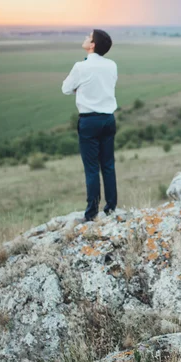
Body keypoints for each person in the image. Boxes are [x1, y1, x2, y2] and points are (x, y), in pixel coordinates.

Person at [62, 29, 118, 222]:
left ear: (92, 45)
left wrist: (80, 87)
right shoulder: (112, 65)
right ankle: (111, 207)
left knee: (92, 168)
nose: (85, 38)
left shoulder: (81, 67)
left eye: (88, 37)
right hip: (108, 120)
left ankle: (92, 212)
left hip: (89, 122)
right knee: (108, 165)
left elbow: (65, 88)